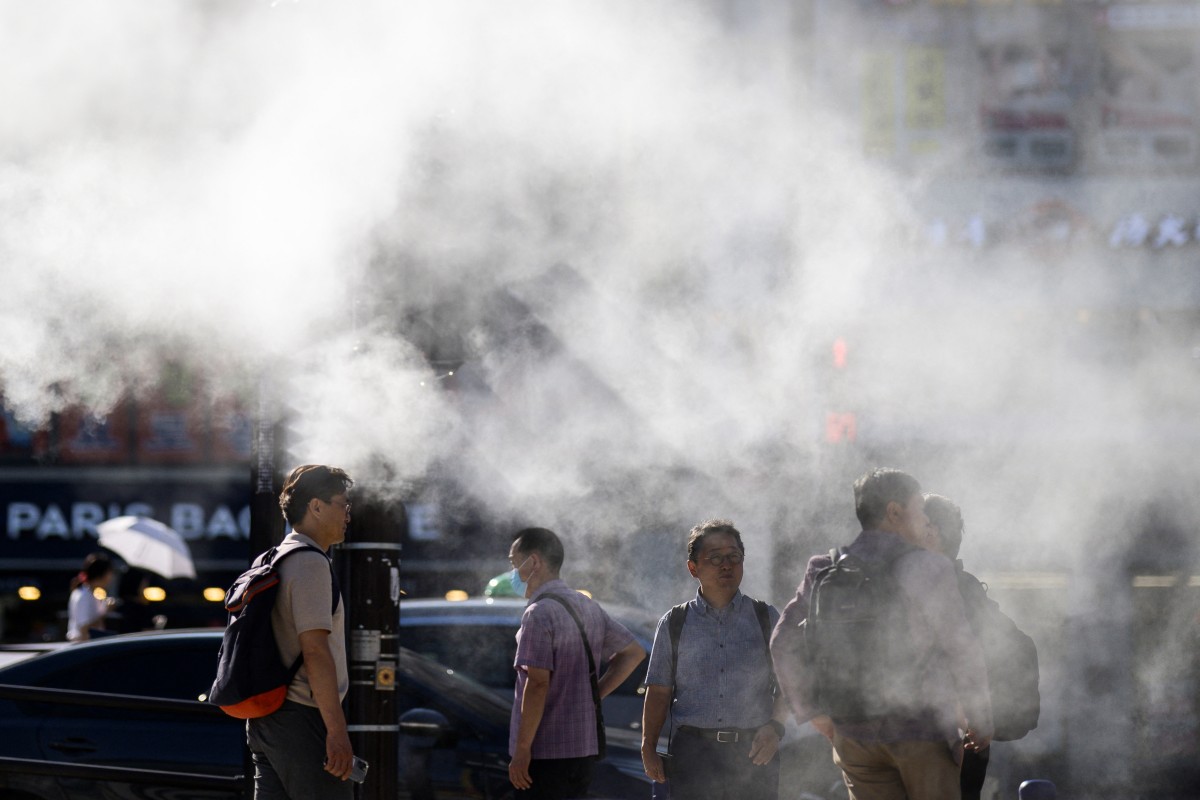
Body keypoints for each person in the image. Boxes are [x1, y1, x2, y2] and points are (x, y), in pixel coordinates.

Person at [770, 468, 993, 800]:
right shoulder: (928, 567)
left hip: (853, 735)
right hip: (922, 732)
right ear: (895, 512)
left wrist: (814, 713)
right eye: (919, 509)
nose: (924, 519)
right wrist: (980, 716)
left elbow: (781, 642)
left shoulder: (825, 568)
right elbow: (960, 646)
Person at [641, 519, 789, 800]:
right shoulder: (675, 622)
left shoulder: (765, 617)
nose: (726, 565)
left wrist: (776, 728)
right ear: (693, 568)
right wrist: (648, 747)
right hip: (693, 755)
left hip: (752, 753)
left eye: (734, 557)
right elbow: (659, 691)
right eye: (715, 558)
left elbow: (789, 683)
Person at [507, 527, 647, 800]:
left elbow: (537, 684)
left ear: (534, 561)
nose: (513, 573)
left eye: (514, 564)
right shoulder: (585, 605)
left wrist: (522, 750)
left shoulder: (538, 614)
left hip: (545, 752)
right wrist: (594, 693)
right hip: (583, 751)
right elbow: (633, 652)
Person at [246, 464, 357, 799]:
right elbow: (315, 650)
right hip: (302, 717)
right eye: (343, 504)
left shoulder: (269, 558)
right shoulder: (310, 563)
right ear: (316, 506)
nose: (348, 515)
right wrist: (336, 731)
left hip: (265, 716)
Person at [66, 552, 115, 641]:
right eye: (110, 573)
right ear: (102, 574)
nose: (111, 577)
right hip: (83, 648)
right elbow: (84, 630)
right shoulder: (82, 596)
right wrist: (106, 611)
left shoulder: (91, 594)